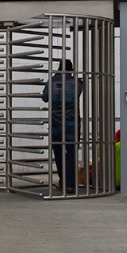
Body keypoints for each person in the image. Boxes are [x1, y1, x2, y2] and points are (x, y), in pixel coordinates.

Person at [41, 59, 83, 193]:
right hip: (71, 123)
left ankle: (62, 180)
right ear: (71, 69)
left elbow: (45, 97)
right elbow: (78, 93)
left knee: (58, 153)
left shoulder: (51, 82)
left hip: (55, 123)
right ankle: (70, 183)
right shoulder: (76, 83)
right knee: (71, 153)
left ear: (58, 68)